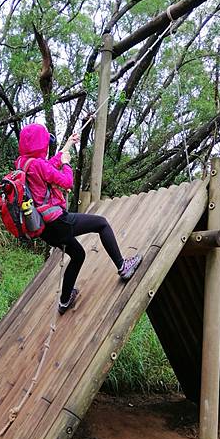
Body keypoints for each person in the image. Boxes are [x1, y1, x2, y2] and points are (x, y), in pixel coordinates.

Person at [15, 122, 142, 314]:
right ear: (40, 145)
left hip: (42, 229)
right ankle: (123, 266)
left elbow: (46, 167)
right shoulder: (38, 164)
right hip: (57, 221)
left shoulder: (23, 163)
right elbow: (66, 182)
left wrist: (67, 146)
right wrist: (66, 163)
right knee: (101, 223)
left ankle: (65, 301)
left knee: (78, 255)